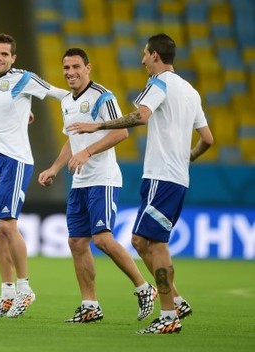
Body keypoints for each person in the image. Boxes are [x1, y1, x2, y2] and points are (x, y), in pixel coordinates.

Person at [69, 33, 214, 334]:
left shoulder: (159, 83)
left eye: (146, 55)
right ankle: (175, 299)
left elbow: (141, 116)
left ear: (156, 56)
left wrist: (98, 125)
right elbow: (208, 139)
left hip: (162, 176)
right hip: (174, 177)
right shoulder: (191, 91)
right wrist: (189, 157)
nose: (143, 60)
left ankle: (169, 314)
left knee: (155, 243)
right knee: (141, 241)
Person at [38, 48, 158, 324]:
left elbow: (121, 131)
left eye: (76, 66)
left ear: (88, 68)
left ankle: (144, 288)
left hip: (102, 178)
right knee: (77, 242)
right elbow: (72, 139)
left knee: (102, 239)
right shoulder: (66, 100)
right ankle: (90, 305)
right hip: (79, 181)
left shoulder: (103, 96)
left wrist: (88, 152)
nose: (70, 72)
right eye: (66, 67)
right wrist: (55, 168)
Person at [0, 33, 69, 318]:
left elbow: (60, 93)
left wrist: (82, 108)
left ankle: (24, 287)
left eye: (4, 54)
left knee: (8, 225)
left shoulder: (24, 78)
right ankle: (7, 293)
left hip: (16, 160)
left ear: (13, 58)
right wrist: (23, 114)